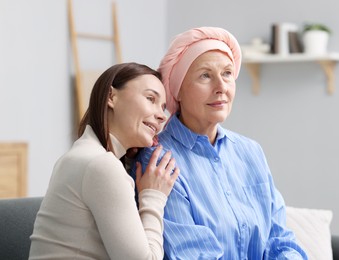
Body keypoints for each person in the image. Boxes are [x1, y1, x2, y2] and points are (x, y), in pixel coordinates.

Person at [134, 27, 308, 259]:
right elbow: (192, 255)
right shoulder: (159, 160)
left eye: (227, 73)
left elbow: (280, 239)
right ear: (177, 92)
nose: (221, 87)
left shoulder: (250, 152)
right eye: (205, 75)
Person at [29, 62, 179, 260]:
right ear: (111, 97)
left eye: (163, 108)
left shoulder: (82, 155)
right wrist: (154, 196)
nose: (161, 116)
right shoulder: (100, 165)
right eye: (150, 98)